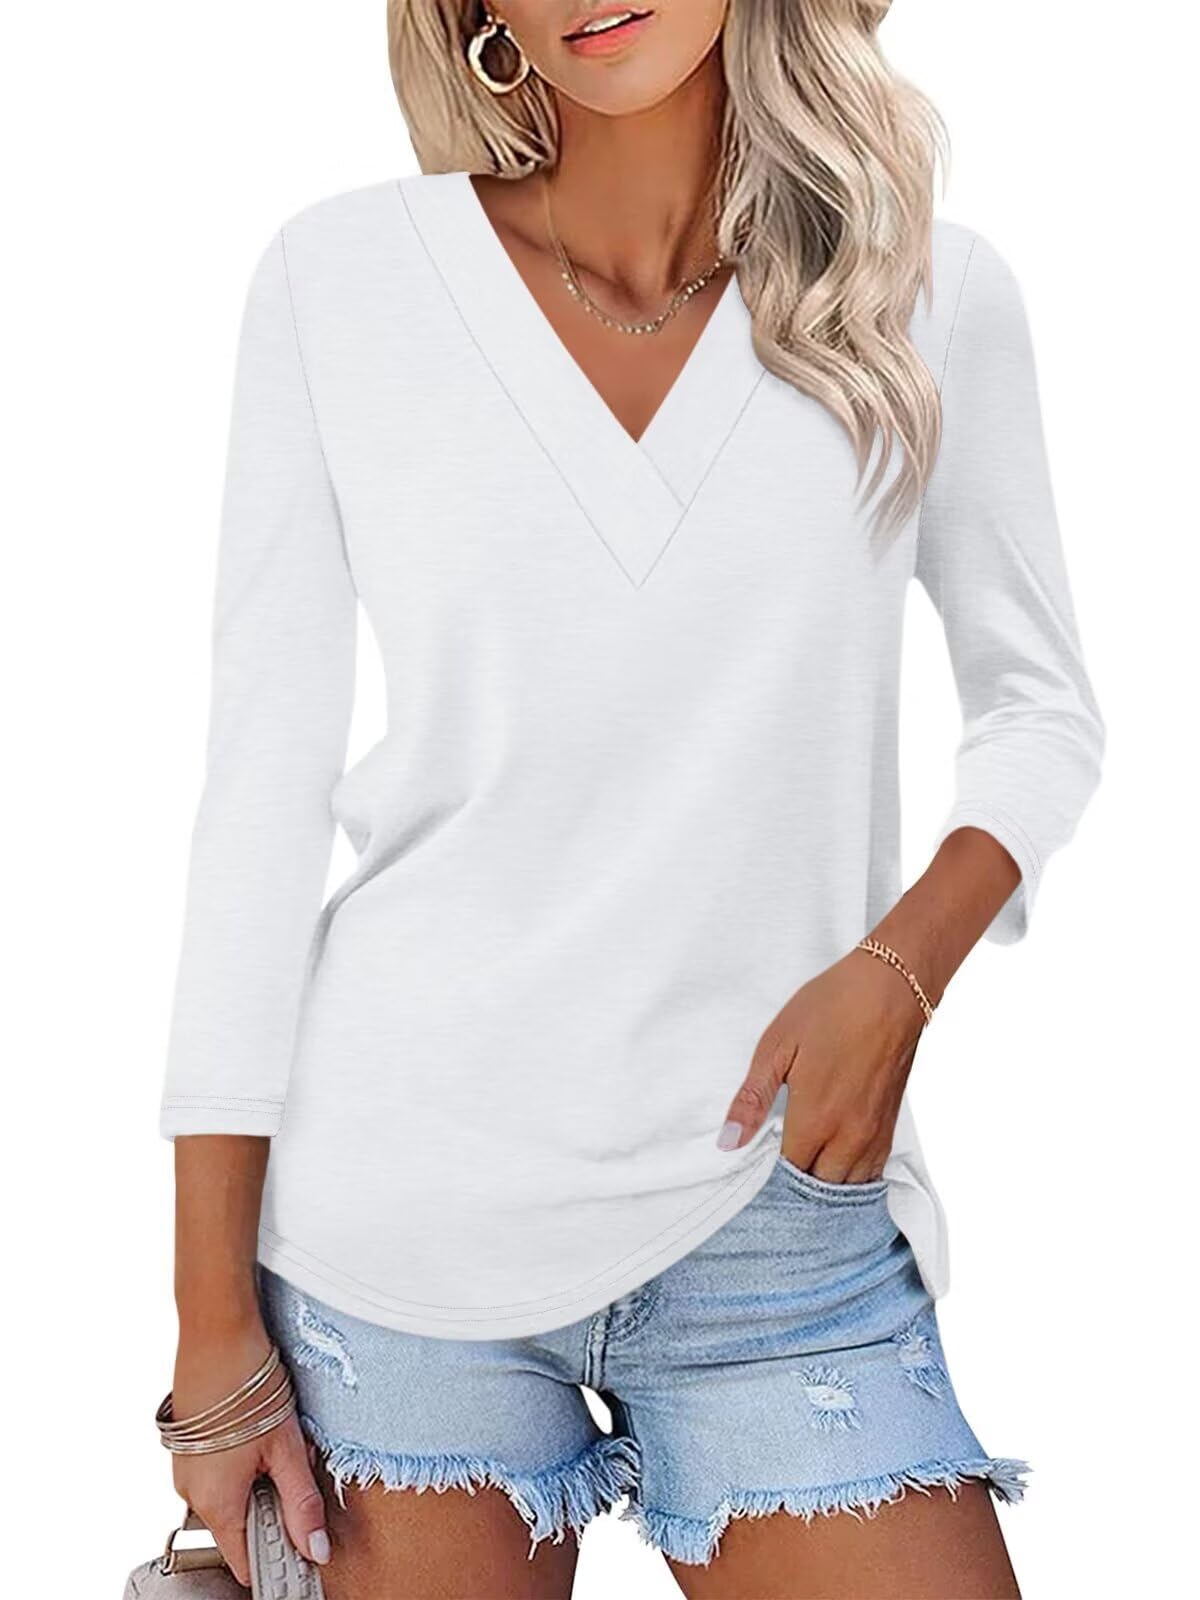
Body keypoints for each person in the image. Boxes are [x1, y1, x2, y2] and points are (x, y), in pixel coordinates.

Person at [156, 3, 1104, 1595]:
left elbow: (1040, 708)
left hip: (781, 1215)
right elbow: (257, 799)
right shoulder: (341, 284)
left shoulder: (928, 292)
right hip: (399, 1229)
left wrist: (900, 972)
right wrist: (210, 1330)